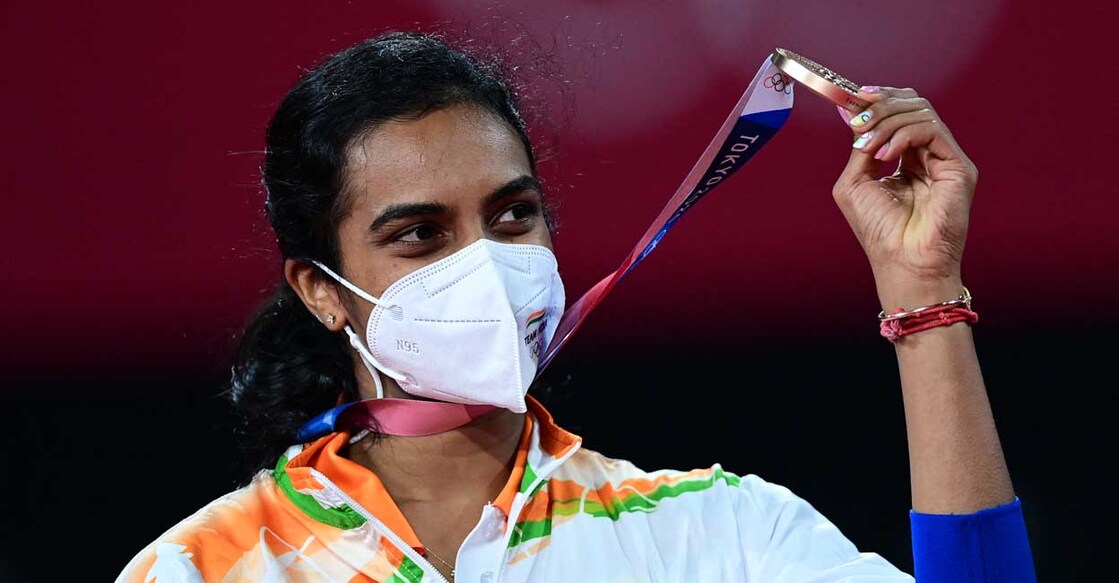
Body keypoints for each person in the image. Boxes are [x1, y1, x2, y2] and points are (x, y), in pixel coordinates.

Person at [117, 30, 1036, 582]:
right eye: (419, 235)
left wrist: (922, 297)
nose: (483, 263)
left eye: (511, 215)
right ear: (320, 289)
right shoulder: (205, 567)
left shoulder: (711, 534)